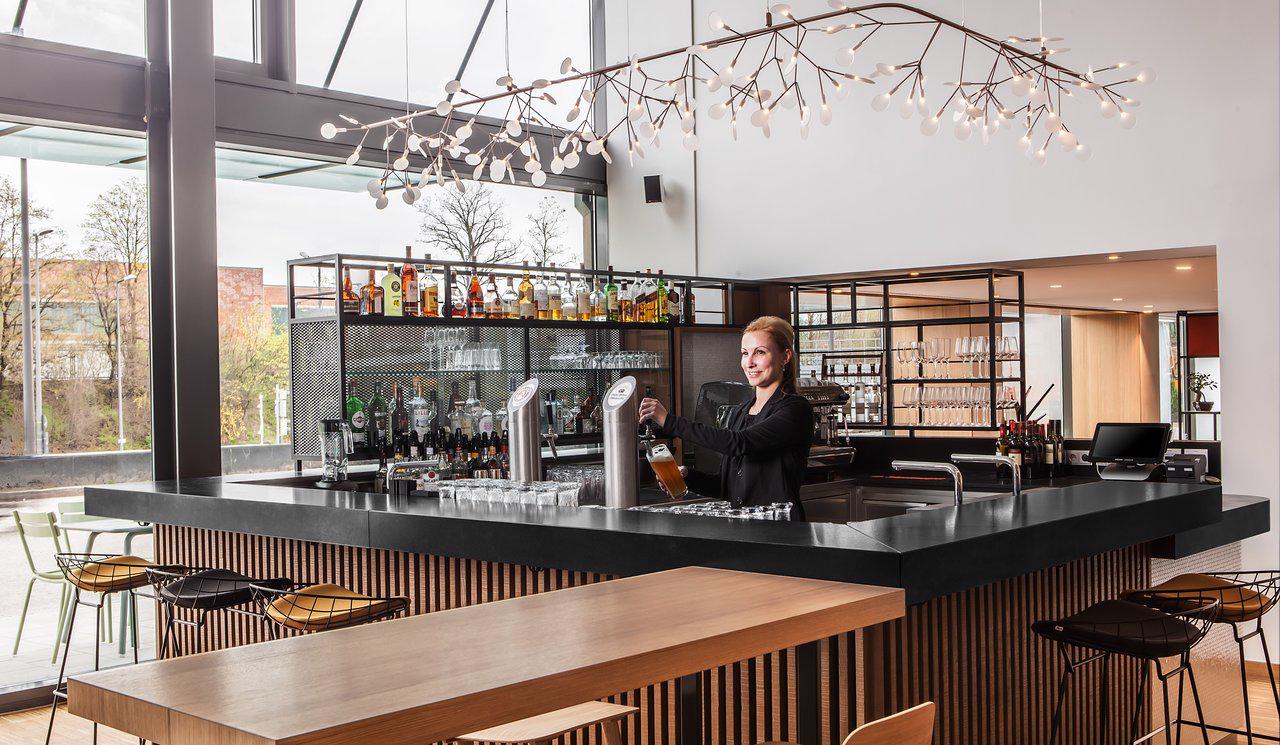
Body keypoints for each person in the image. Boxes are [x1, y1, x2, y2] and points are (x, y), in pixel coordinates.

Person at [638, 315, 813, 516]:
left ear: (785, 357)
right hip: (743, 528)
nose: (749, 362)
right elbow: (725, 486)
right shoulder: (740, 412)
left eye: (760, 352)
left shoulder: (795, 409)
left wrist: (669, 421)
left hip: (780, 528)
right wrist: (687, 476)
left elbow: (739, 443)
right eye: (745, 353)